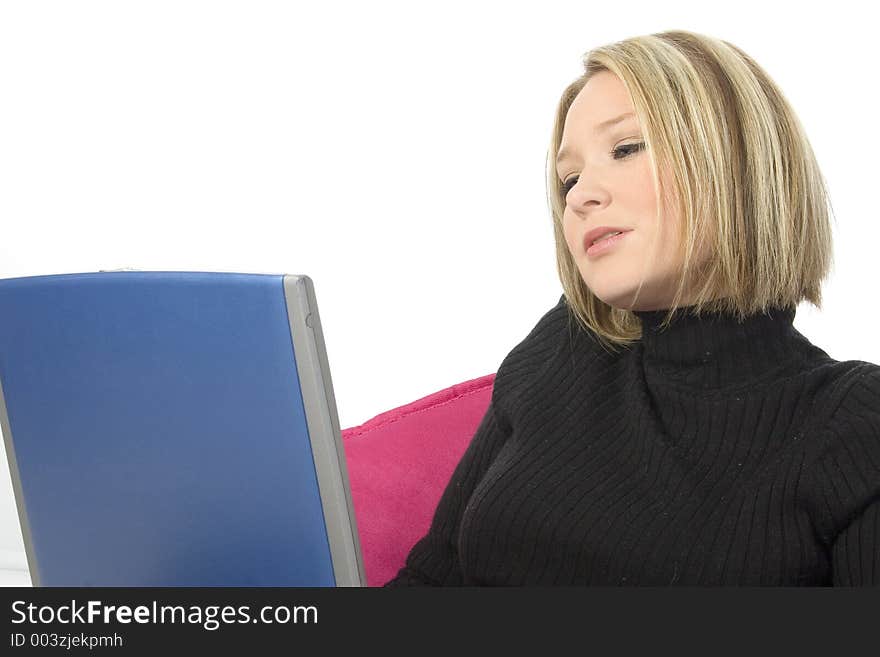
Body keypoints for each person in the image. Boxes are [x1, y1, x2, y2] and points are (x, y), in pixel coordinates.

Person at [383, 29, 880, 586]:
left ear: (736, 159)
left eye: (624, 148)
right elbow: (431, 582)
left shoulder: (857, 418)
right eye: (568, 178)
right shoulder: (562, 350)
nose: (578, 195)